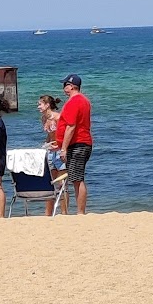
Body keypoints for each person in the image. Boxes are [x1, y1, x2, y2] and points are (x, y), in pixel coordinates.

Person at [56, 73, 93, 214]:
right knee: (75, 178)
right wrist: (59, 143)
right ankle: (80, 211)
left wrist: (64, 148)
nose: (63, 88)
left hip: (78, 143)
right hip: (81, 142)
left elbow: (71, 126)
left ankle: (80, 212)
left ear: (71, 86)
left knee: (77, 178)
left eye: (65, 85)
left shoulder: (74, 101)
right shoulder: (84, 100)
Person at [37, 94, 68, 213]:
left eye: (40, 104)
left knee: (62, 183)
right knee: (50, 183)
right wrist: (45, 145)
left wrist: (62, 147)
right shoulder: (44, 118)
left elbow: (65, 134)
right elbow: (50, 135)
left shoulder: (57, 117)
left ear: (47, 105)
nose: (38, 107)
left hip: (59, 150)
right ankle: (48, 213)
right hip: (50, 151)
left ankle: (64, 212)